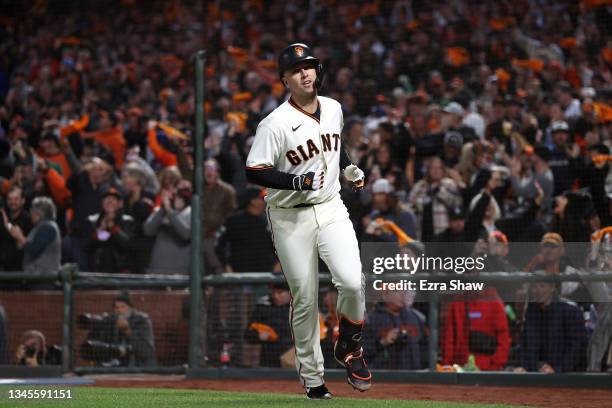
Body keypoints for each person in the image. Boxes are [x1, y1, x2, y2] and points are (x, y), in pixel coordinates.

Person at [245, 43, 370, 399]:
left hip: (331, 207)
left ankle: (349, 345)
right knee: (305, 297)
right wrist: (295, 181)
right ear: (285, 79)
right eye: (297, 69)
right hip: (289, 217)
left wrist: (347, 168)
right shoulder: (274, 123)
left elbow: (334, 146)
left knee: (351, 280)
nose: (306, 73)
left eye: (310, 66)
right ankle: (314, 380)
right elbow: (254, 170)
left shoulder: (333, 108)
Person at [516, 281, 587, 373]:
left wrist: (557, 370)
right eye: (534, 286)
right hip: (536, 373)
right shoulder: (531, 311)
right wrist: (531, 366)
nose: (538, 290)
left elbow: (575, 349)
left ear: (552, 287)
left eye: (542, 286)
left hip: (564, 377)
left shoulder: (571, 312)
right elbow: (525, 345)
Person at [79, 290, 156, 367]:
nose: (120, 310)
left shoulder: (142, 320)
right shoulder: (111, 319)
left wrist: (127, 331)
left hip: (139, 366)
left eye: (123, 307)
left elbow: (146, 351)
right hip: (116, 365)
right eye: (116, 307)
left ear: (131, 308)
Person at [364, 291, 427, 369]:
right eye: (397, 292)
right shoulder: (371, 319)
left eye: (404, 292)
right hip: (384, 376)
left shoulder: (416, 317)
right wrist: (383, 341)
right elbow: (362, 351)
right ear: (385, 295)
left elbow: (425, 347)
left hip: (413, 375)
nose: (402, 294)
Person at [5, 196, 61, 279]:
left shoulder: (48, 228)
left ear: (38, 214)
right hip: (37, 277)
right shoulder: (40, 227)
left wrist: (20, 237)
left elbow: (34, 249)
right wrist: (19, 239)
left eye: (32, 212)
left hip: (44, 279)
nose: (31, 215)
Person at [143, 182, 192, 274]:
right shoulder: (161, 211)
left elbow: (186, 235)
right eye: (175, 196)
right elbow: (147, 231)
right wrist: (162, 209)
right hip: (157, 269)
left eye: (180, 197)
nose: (177, 199)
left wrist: (170, 212)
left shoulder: (191, 213)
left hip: (179, 271)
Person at [86, 187, 135, 273]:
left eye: (113, 199)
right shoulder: (93, 220)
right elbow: (88, 247)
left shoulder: (127, 221)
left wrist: (113, 228)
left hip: (120, 270)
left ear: (120, 204)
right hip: (98, 269)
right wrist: (102, 230)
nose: (110, 201)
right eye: (107, 199)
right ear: (102, 203)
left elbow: (127, 245)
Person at [244, 283, 293, 367]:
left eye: (280, 293)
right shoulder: (263, 308)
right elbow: (248, 334)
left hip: (293, 359)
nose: (275, 296)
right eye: (273, 293)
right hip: (269, 360)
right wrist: (259, 335)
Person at [0, 186, 32, 271]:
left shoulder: (27, 219)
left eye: (16, 199)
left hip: (19, 270)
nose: (12, 202)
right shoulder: (3, 217)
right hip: (3, 268)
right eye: (9, 199)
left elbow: (14, 231)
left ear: (23, 201)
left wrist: (7, 223)